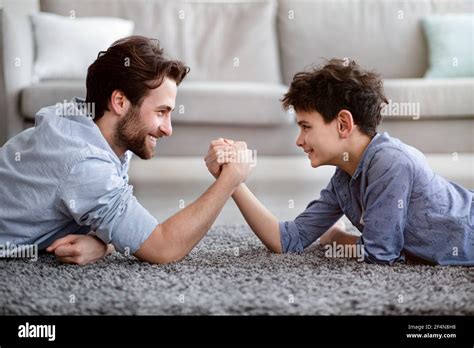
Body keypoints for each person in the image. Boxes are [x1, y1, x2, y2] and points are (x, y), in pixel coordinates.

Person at [0, 36, 254, 265]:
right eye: (161, 112)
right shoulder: (85, 162)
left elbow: (114, 220)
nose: (168, 129)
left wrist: (104, 242)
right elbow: (163, 246)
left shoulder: (86, 127)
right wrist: (230, 179)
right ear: (120, 102)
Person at [206, 58, 474, 266]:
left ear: (344, 124)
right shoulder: (345, 178)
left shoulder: (390, 162)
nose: (299, 140)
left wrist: (336, 238)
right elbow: (288, 240)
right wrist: (233, 180)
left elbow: (380, 255)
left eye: (305, 126)